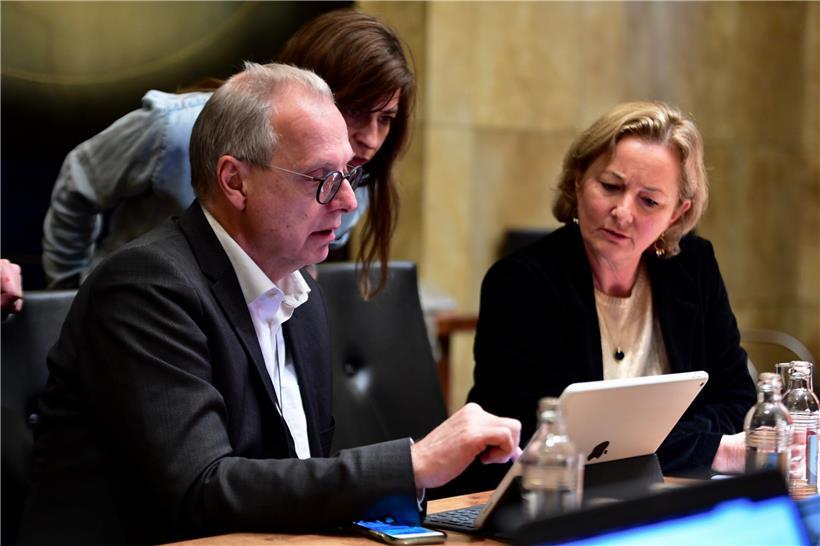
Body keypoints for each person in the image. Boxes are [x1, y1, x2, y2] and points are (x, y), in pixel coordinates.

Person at [18, 63, 520, 546]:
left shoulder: (302, 294)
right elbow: (202, 490)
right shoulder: (147, 287)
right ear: (235, 181)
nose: (347, 202)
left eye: (349, 174)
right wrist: (410, 464)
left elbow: (295, 477)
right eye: (322, 178)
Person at [466, 101, 756, 484]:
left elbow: (738, 401)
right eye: (610, 186)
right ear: (577, 179)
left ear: (677, 213)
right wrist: (712, 447)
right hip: (542, 507)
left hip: (669, 496)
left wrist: (674, 442)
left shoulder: (694, 267)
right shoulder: (521, 282)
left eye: (649, 201)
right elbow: (551, 440)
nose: (622, 212)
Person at [42, 9, 413, 297]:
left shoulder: (357, 179)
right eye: (353, 111)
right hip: (129, 318)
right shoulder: (175, 130)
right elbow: (80, 182)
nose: (369, 139)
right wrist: (66, 294)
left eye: (386, 119)